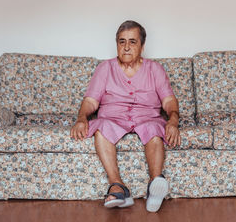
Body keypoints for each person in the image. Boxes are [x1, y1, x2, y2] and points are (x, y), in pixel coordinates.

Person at [70, 20, 180, 212]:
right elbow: (90, 102)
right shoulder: (105, 68)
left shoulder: (155, 69)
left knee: (155, 130)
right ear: (117, 45)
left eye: (132, 42)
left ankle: (155, 184)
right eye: (122, 42)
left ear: (142, 46)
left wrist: (173, 120)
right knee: (101, 128)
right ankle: (118, 186)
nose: (126, 47)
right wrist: (81, 119)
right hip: (113, 118)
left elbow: (169, 101)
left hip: (147, 117)